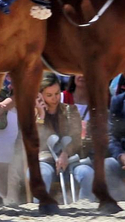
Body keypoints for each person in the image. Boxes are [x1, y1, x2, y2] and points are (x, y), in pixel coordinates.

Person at [37, 74, 94, 202]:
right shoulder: (34, 114)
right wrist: (41, 115)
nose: (54, 98)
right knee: (41, 175)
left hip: (71, 159)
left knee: (87, 173)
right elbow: (35, 139)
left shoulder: (70, 110)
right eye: (49, 95)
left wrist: (65, 153)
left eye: (57, 93)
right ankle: (40, 207)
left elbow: (75, 137)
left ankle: (85, 206)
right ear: (40, 95)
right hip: (45, 160)